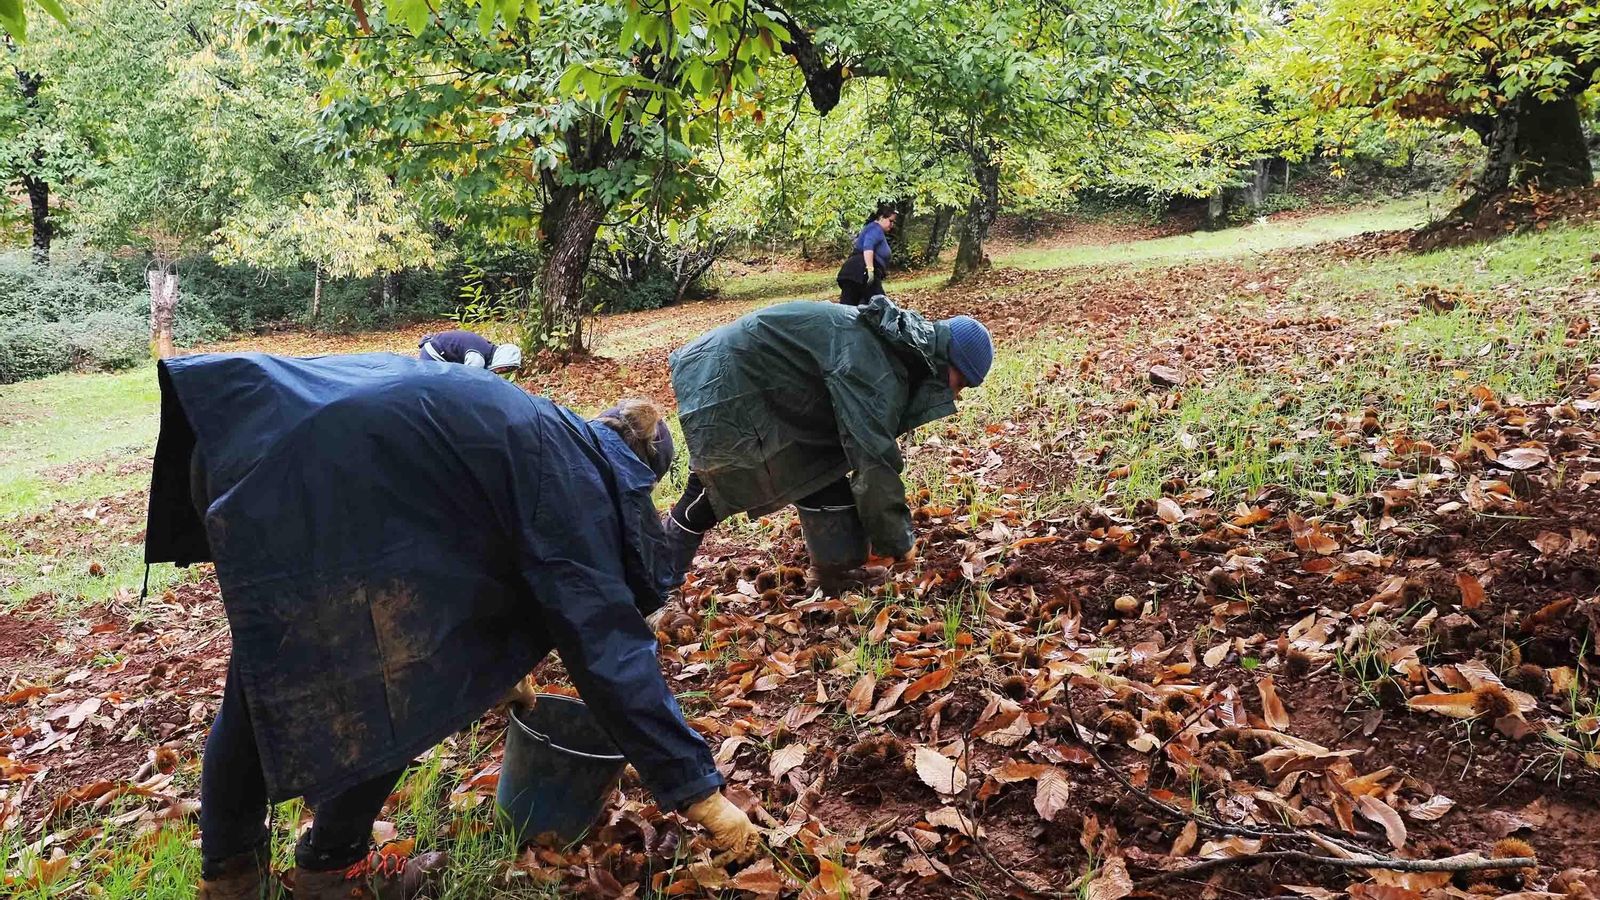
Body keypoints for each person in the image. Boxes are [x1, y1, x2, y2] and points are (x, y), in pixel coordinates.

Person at [143, 354, 759, 900]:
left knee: (260, 682)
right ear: (640, 473)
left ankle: (230, 875)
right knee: (399, 689)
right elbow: (607, 645)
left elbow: (472, 559)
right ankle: (332, 868)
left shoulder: (545, 435)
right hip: (314, 485)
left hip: (252, 437)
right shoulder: (578, 482)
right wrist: (698, 789)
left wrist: (504, 668)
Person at [661, 295, 994, 586]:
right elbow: (873, 460)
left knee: (819, 468)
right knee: (713, 492)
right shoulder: (880, 370)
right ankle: (656, 583)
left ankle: (837, 571)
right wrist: (898, 543)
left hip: (768, 381)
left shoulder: (900, 348)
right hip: (730, 378)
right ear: (947, 360)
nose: (956, 393)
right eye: (961, 381)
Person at [835, 204, 898, 306]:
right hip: (860, 272)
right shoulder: (875, 229)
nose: (892, 225)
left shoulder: (871, 228)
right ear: (881, 218)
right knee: (880, 305)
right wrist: (870, 269)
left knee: (852, 307)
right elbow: (868, 247)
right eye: (890, 221)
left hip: (852, 273)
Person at [417, 328, 522, 374]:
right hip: (433, 354)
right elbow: (469, 382)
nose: (501, 371)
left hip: (440, 352)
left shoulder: (486, 349)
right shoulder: (477, 358)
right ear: (501, 358)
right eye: (504, 367)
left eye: (507, 369)